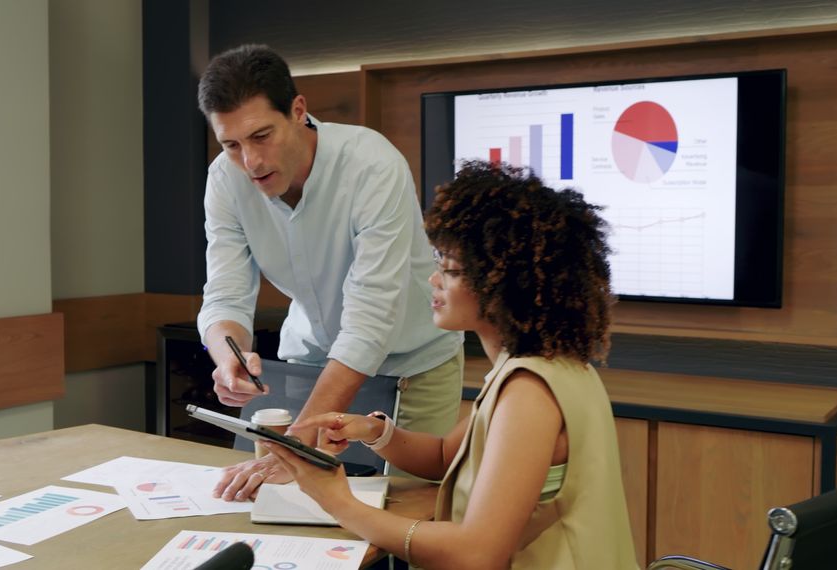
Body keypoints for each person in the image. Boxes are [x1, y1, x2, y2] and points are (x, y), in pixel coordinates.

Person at [264, 162, 638, 569]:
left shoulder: (529, 394)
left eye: (452, 271)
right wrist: (374, 431)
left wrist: (337, 502)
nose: (434, 281)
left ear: (503, 286)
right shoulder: (545, 365)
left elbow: (476, 554)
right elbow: (446, 455)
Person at [195, 44, 464, 501]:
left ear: (298, 111)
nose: (251, 161)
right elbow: (223, 295)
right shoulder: (225, 179)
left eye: (261, 136)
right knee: (274, 507)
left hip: (413, 366)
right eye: (232, 144)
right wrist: (228, 356)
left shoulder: (371, 166)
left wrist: (292, 446)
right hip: (310, 360)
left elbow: (369, 320)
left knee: (403, 516)